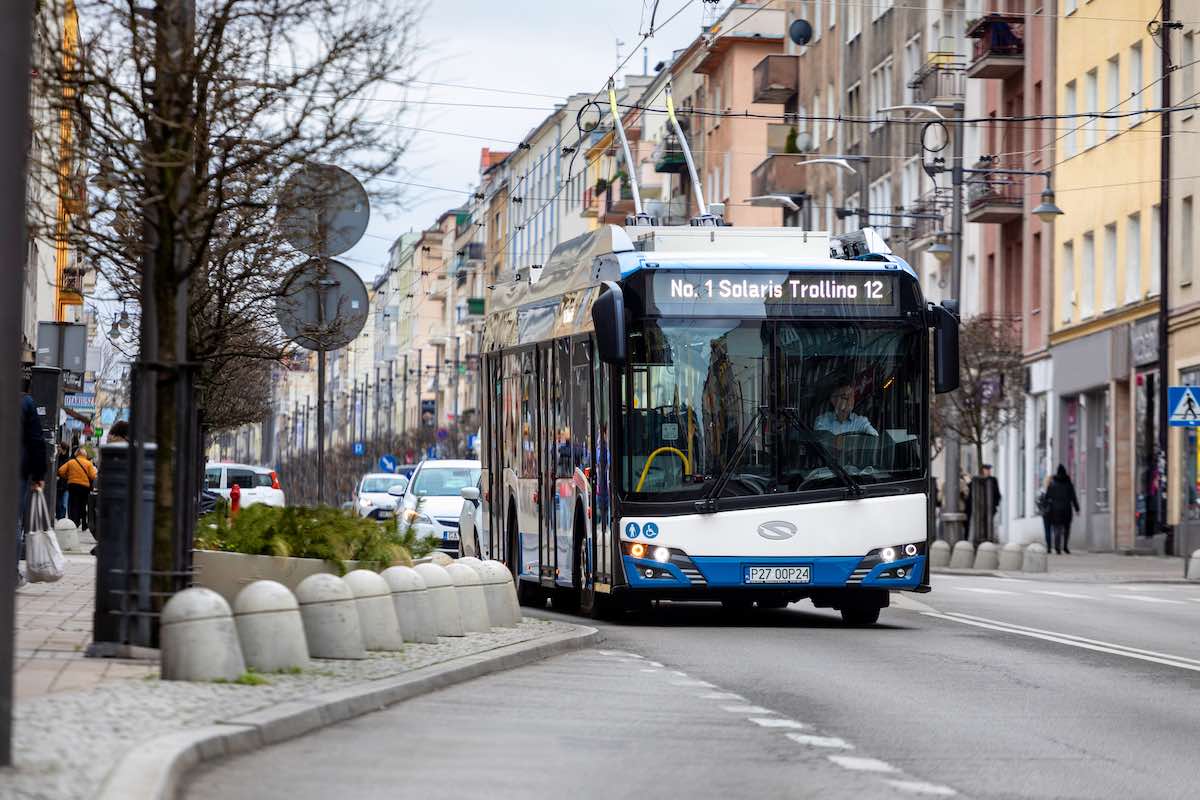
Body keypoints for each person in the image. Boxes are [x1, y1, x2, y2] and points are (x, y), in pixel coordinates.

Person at [19, 393, 47, 588]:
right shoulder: (25, 402)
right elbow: (36, 440)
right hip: (15, 470)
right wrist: (38, 475)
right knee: (12, 520)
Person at [814, 382, 878, 437]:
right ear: (833, 400)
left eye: (852, 396)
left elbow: (874, 437)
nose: (850, 401)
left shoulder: (860, 422)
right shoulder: (822, 422)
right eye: (845, 397)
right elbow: (821, 445)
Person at [58, 447, 97, 529]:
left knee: (74, 504)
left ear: (76, 454)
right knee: (83, 505)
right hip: (84, 487)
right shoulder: (88, 463)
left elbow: (61, 471)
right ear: (85, 454)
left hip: (73, 486)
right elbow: (93, 476)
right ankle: (84, 524)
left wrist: (68, 477)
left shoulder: (71, 462)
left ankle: (74, 522)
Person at [1046, 464, 1080, 554]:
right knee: (1067, 528)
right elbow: (1073, 497)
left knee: (1057, 528)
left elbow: (1047, 497)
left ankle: (1057, 547)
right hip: (1066, 509)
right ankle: (1065, 546)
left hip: (1055, 509)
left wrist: (1048, 506)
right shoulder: (1068, 484)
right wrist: (1077, 508)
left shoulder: (1052, 484)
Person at [966, 464, 1002, 541]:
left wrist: (994, 504)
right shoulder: (976, 480)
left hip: (990, 507)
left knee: (989, 523)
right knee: (979, 523)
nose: (989, 471)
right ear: (982, 470)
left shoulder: (993, 480)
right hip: (979, 507)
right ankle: (980, 538)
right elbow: (970, 491)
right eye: (987, 469)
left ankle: (989, 538)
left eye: (989, 469)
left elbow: (997, 493)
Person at [1036, 474, 1054, 551]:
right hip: (1053, 512)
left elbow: (1037, 501)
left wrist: (1041, 509)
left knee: (1047, 529)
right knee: (1055, 529)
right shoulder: (1054, 489)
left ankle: (1049, 546)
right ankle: (1056, 544)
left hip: (1045, 513)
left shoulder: (1042, 490)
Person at [54, 441, 71, 520]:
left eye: (59, 447)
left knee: (64, 504)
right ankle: (59, 518)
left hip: (66, 485)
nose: (58, 448)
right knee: (58, 503)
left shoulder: (68, 460)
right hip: (58, 484)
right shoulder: (57, 458)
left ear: (64, 449)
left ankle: (62, 519)